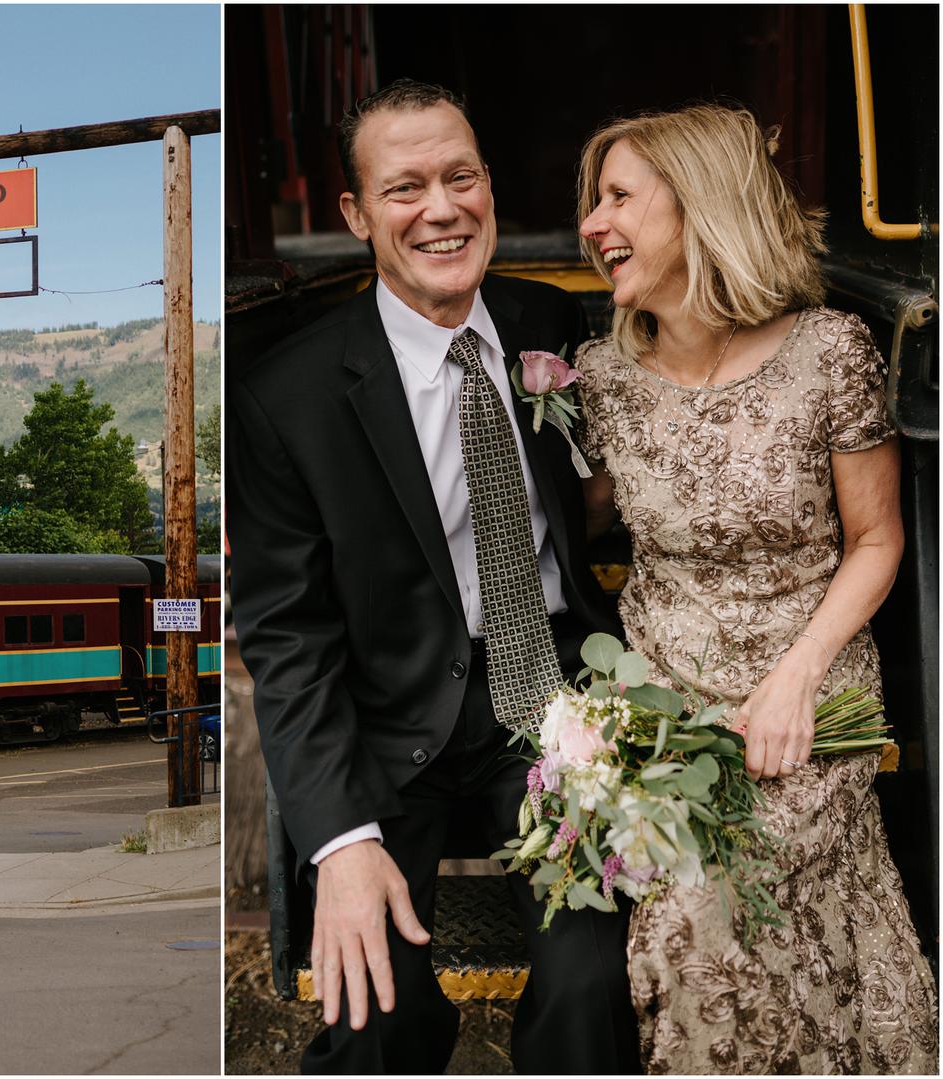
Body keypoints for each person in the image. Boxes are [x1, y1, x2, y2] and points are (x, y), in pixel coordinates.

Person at [228, 78, 639, 1074]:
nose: (442, 209)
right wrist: (339, 841)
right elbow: (287, 639)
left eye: (461, 177)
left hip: (550, 707)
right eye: (405, 188)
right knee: (375, 1008)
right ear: (355, 214)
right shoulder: (285, 398)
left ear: (489, 184)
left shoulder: (548, 321)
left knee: (593, 985)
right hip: (383, 726)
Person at [574, 103, 938, 1073]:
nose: (593, 224)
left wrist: (797, 677)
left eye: (618, 198)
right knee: (685, 903)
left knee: (735, 891)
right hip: (665, 710)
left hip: (808, 692)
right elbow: (568, 528)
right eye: (593, 202)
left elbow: (877, 538)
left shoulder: (829, 351)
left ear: (698, 203)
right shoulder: (599, 377)